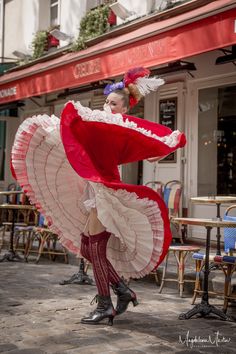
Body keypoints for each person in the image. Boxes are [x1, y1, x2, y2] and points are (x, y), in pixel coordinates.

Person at [11, 67, 186, 326]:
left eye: (113, 103)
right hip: (94, 186)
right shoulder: (99, 121)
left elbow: (158, 141)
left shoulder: (120, 124)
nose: (107, 106)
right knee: (86, 247)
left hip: (106, 188)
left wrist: (162, 150)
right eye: (106, 101)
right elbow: (74, 125)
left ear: (124, 109)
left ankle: (105, 305)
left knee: (95, 248)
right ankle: (122, 291)